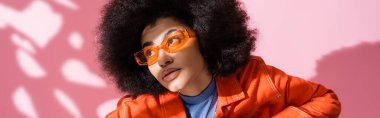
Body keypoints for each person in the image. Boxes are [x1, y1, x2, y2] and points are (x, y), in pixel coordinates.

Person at [97, 0, 341, 117]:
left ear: (204, 36)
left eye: (173, 40)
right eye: (149, 52)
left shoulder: (256, 79)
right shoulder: (139, 110)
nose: (161, 59)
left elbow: (326, 100)